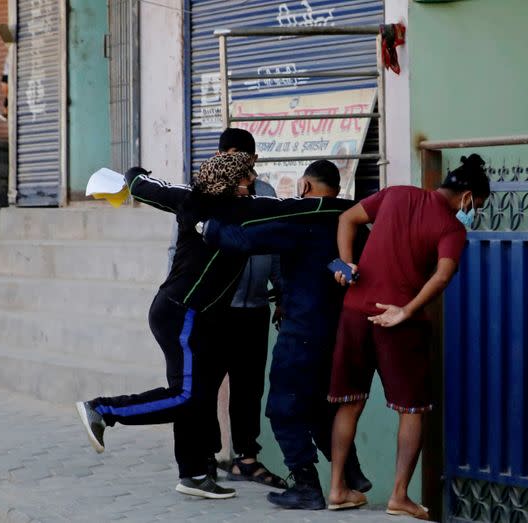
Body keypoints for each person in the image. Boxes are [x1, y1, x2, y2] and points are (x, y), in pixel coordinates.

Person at [75, 153, 354, 499]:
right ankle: (103, 410)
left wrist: (132, 173)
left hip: (185, 312)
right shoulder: (242, 209)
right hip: (183, 314)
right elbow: (302, 208)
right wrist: (359, 208)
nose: (251, 180)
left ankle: (192, 474)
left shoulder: (188, 197)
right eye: (247, 176)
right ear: (231, 180)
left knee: (201, 393)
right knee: (186, 395)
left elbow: (142, 185)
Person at [200, 160, 371, 510]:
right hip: (340, 331)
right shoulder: (353, 223)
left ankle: (306, 485)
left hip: (302, 330)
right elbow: (334, 265)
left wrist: (205, 226)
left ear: (305, 187)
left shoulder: (299, 220)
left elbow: (244, 240)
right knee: (322, 407)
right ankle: (351, 473)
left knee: (283, 408)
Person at [326, 154, 490, 519]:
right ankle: (399, 496)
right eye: (477, 205)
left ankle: (337, 488)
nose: (474, 212)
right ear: (466, 196)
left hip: (354, 311)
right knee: (412, 409)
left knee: (349, 402)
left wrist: (345, 262)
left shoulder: (395, 194)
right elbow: (442, 276)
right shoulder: (452, 229)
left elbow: (346, 218)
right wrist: (407, 310)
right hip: (397, 324)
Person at [167, 128, 286, 488]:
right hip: (214, 306)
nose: (231, 162)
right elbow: (179, 254)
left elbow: (276, 248)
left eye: (239, 156)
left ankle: (247, 459)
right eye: (225, 154)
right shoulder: (200, 197)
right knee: (203, 383)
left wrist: (280, 293)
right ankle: (205, 458)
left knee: (250, 386)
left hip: (253, 308)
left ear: (252, 160)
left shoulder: (266, 195)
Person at [0, 51, 11, 122]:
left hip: (8, 75)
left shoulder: (12, 51)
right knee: (7, 95)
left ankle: (6, 113)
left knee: (8, 95)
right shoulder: (10, 52)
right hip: (6, 74)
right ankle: (6, 113)